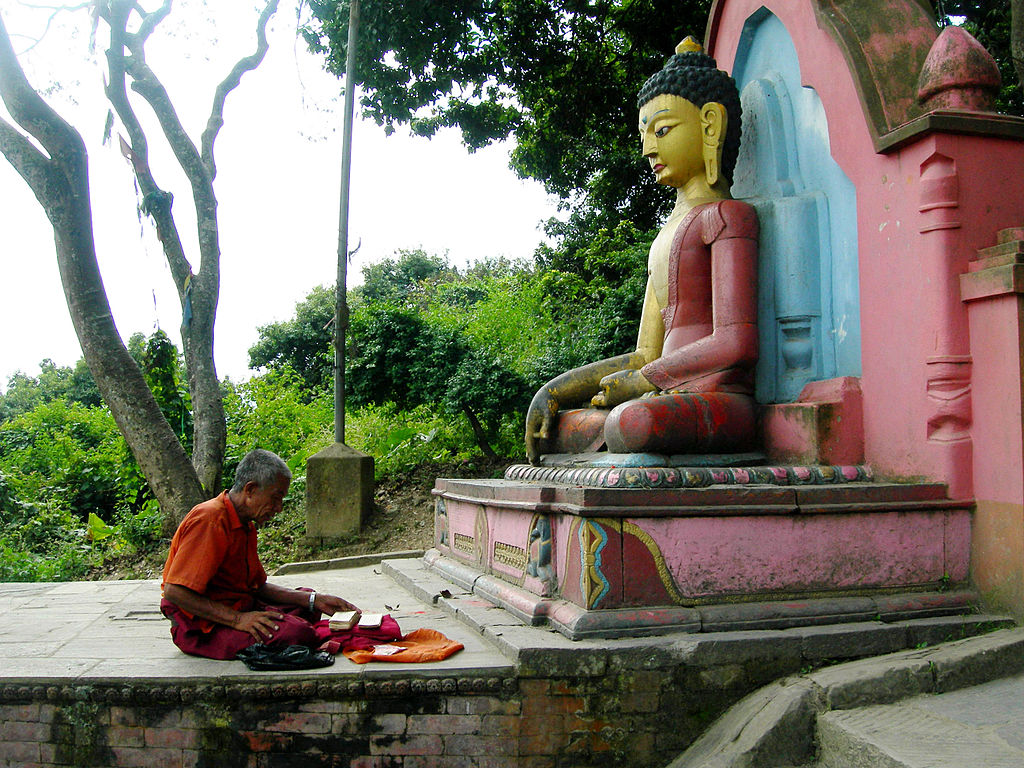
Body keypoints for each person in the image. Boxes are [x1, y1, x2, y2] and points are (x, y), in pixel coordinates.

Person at [525, 37, 759, 463]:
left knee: (631, 422)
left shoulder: (728, 217)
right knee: (562, 427)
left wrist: (647, 381)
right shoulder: (664, 237)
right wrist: (553, 390)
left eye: (663, 130)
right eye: (644, 134)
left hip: (717, 395)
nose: (649, 147)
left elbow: (736, 341)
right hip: (660, 394)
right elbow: (645, 353)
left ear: (710, 125)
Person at [160, 449, 360, 660]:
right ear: (251, 490)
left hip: (238, 606)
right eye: (275, 498)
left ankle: (301, 617)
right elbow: (175, 592)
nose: (279, 508)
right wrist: (239, 620)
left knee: (307, 604)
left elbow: (256, 587)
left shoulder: (245, 524)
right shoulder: (210, 520)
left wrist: (314, 599)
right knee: (298, 634)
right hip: (203, 627)